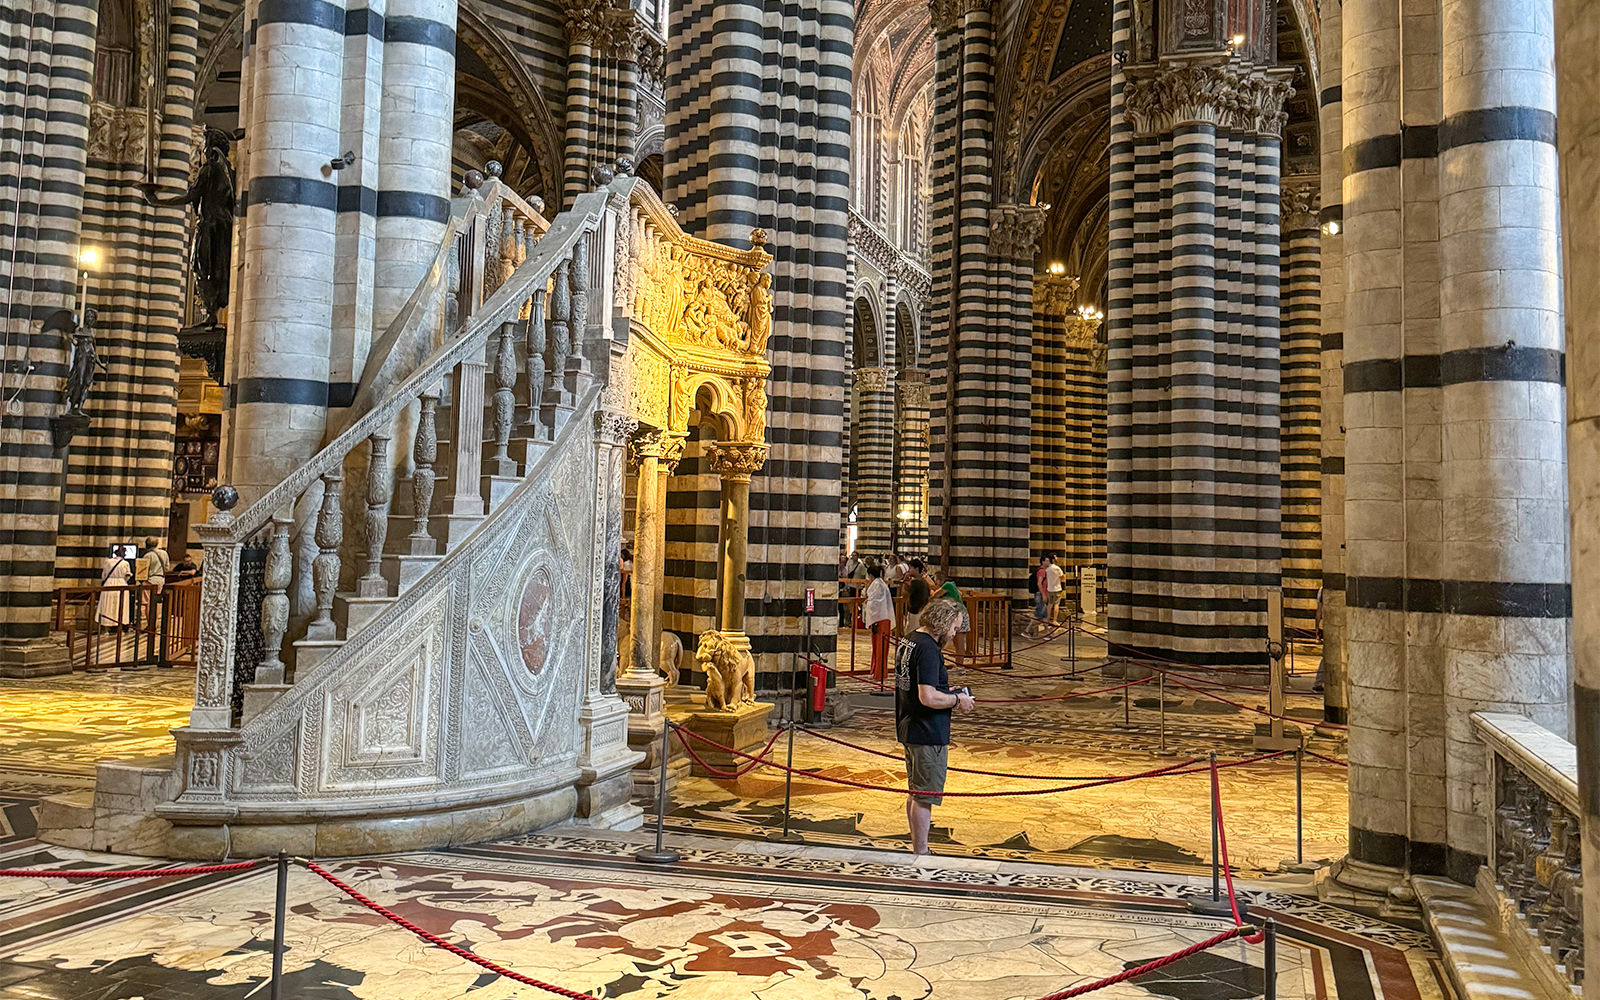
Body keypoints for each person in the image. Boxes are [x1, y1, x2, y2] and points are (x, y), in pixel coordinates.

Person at [895, 598, 975, 855]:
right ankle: (921, 852)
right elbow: (927, 697)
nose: (954, 633)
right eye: (954, 627)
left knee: (916, 790)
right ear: (942, 623)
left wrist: (947, 691)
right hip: (927, 731)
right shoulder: (929, 649)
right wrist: (956, 700)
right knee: (924, 795)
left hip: (909, 724)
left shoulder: (910, 639)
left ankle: (919, 848)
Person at [863, 562, 895, 681]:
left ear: (870, 575)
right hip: (879, 619)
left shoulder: (878, 585)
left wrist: (867, 601)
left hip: (880, 619)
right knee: (876, 648)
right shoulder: (878, 583)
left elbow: (875, 602)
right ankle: (875, 671)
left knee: (880, 648)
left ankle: (879, 673)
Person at [95, 546, 132, 628]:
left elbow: (104, 575)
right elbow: (128, 576)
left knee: (107, 606)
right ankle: (119, 626)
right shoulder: (125, 563)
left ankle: (106, 628)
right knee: (120, 605)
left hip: (109, 583)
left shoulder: (108, 562)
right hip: (121, 584)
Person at [903, 558, 931, 634]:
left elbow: (905, 594)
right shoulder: (924, 581)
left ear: (916, 569)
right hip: (922, 610)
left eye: (910, 568)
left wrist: (904, 581)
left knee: (910, 634)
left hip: (915, 611)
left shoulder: (915, 582)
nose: (909, 570)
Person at [1044, 554, 1065, 622]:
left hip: (1050, 589)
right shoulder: (1057, 568)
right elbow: (1063, 577)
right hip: (1057, 589)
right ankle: (1054, 620)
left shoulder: (1047, 569)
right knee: (1056, 604)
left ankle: (1047, 618)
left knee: (1049, 604)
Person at [1032, 555, 1049, 620]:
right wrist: (1043, 595)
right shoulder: (1042, 571)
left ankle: (1046, 630)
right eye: (1047, 561)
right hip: (1040, 594)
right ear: (1043, 562)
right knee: (1039, 614)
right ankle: (1028, 629)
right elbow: (1039, 583)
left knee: (1044, 614)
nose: (1048, 562)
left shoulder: (1045, 571)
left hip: (1042, 594)